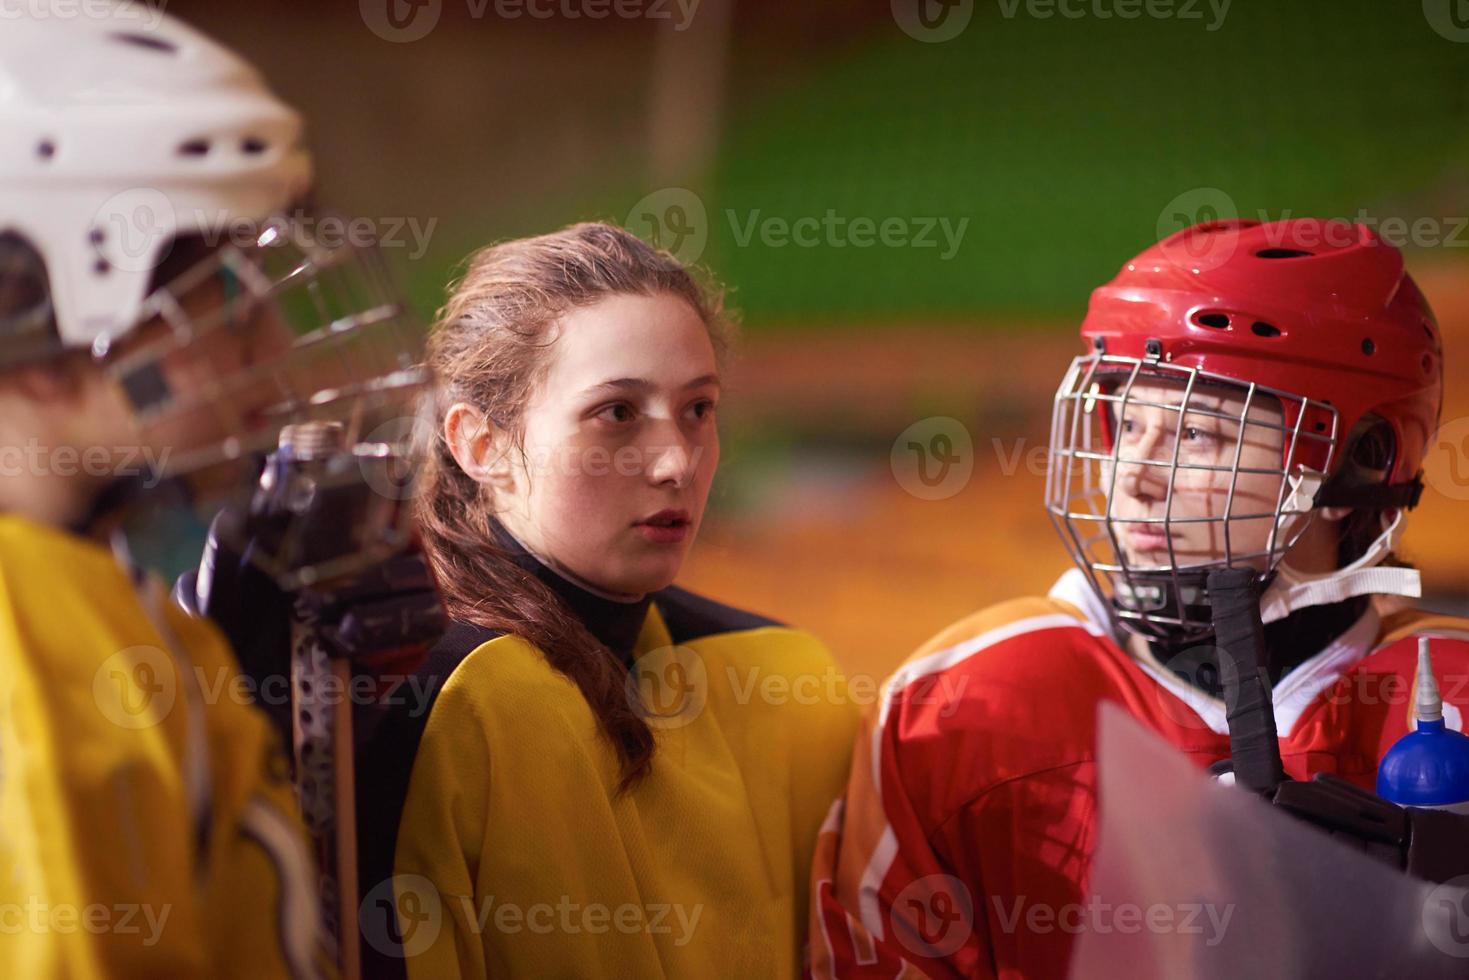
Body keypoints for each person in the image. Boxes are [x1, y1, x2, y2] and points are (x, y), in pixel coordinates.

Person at [808, 218, 1469, 979]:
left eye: (1196, 435)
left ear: (1359, 458)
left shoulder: (1451, 685)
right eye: (1124, 422)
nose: (1133, 474)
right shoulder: (957, 701)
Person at [0, 4, 421, 976]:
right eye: (228, 313)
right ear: (34, 333)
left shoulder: (107, 606)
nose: (277, 361)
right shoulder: (34, 641)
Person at [355, 222, 860, 978]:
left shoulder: (782, 677)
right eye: (617, 413)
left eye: (698, 409)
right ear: (480, 445)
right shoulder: (431, 697)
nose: (676, 462)